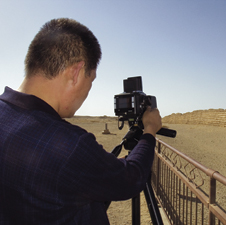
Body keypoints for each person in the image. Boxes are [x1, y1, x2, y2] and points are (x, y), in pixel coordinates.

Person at [0, 18, 162, 224]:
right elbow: (131, 178)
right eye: (91, 79)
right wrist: (149, 130)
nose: (88, 90)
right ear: (76, 73)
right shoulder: (70, 145)